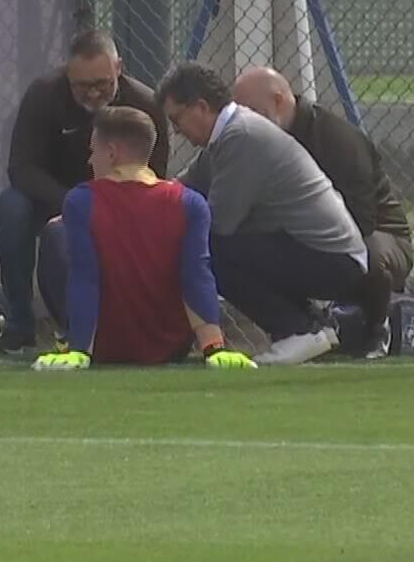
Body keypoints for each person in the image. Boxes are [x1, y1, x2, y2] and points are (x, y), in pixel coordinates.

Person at [157, 62, 370, 366]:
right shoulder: (225, 138)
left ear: (201, 107)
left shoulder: (240, 137)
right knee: (208, 244)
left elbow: (218, 223)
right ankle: (309, 326)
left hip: (335, 260)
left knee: (208, 247)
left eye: (177, 119)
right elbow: (178, 191)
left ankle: (297, 330)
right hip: (321, 253)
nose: (176, 130)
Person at [28, 106, 254, 371]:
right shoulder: (190, 203)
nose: (90, 160)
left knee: (55, 233)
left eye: (94, 151)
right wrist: (213, 348)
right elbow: (196, 275)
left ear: (111, 153)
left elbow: (85, 276)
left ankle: (72, 341)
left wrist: (80, 350)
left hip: (104, 346)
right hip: (170, 347)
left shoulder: (81, 200)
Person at [0, 30, 169, 347]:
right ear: (67, 73)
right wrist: (74, 204)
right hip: (55, 197)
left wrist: (108, 206)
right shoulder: (44, 95)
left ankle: (129, 321)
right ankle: (21, 322)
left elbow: (153, 177)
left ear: (119, 68)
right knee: (12, 207)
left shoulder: (144, 104)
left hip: (122, 203)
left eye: (101, 83)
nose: (92, 93)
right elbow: (21, 168)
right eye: (81, 86)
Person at [232, 66, 414, 351]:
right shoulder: (253, 142)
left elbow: (362, 219)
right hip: (306, 232)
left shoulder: (337, 140)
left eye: (252, 112)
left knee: (366, 254)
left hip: (379, 232)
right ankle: (301, 327)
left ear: (279, 101)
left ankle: (377, 327)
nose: (246, 121)